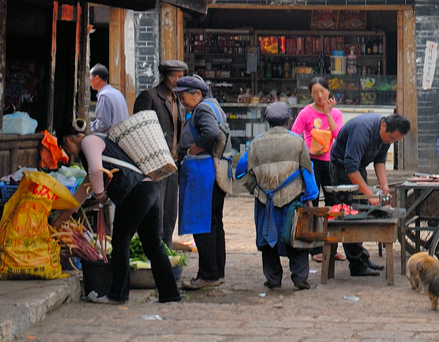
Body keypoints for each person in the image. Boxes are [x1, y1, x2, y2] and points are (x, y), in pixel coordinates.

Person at [58, 126, 180, 305]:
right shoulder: (101, 146)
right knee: (153, 245)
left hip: (134, 192)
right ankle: (170, 294)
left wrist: (100, 195)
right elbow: (80, 196)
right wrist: (58, 222)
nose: (67, 153)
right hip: (149, 189)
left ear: (68, 140)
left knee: (120, 242)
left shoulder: (89, 141)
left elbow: (95, 172)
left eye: (64, 148)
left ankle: (118, 294)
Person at [239, 102, 319, 290]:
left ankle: (273, 279)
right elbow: (307, 171)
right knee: (296, 237)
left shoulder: (255, 142)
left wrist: (257, 189)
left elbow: (242, 170)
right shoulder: (297, 141)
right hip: (292, 199)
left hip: (264, 200)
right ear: (289, 121)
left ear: (267, 121)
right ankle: (300, 278)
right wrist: (310, 197)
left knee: (268, 239)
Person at [329, 112, 410, 276]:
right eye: (391, 138)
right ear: (383, 126)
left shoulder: (386, 135)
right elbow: (350, 168)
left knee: (363, 211)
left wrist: (384, 184)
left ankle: (362, 258)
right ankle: (357, 265)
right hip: (342, 169)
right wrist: (370, 195)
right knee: (352, 214)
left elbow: (379, 160)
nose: (391, 142)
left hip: (358, 169)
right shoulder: (362, 131)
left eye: (395, 140)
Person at [175, 74, 229, 289]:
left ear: (197, 93)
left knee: (202, 224)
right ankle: (217, 272)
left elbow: (211, 133)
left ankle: (207, 275)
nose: (181, 101)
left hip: (203, 171)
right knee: (215, 223)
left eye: (183, 96)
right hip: (213, 171)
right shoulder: (215, 106)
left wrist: (191, 149)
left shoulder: (203, 109)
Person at [133, 59, 185, 246]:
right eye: (173, 76)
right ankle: (154, 252)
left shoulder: (179, 100)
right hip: (155, 165)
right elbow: (139, 131)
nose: (177, 81)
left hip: (173, 163)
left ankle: (166, 251)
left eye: (180, 77)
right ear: (163, 76)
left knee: (170, 213)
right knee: (156, 211)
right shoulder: (149, 97)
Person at [291, 77, 343, 205]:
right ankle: (312, 225)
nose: (319, 96)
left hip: (330, 162)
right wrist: (309, 152)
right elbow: (293, 137)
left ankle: (328, 224)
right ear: (310, 94)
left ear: (328, 92)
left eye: (322, 91)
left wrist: (328, 114)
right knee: (311, 200)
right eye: (314, 92)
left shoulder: (336, 114)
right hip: (311, 162)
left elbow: (339, 136)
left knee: (332, 201)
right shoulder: (305, 113)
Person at [89, 63, 129, 134]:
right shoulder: (117, 93)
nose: (89, 82)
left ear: (97, 78)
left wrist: (89, 127)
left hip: (110, 140)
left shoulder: (104, 96)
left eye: (90, 77)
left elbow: (103, 124)